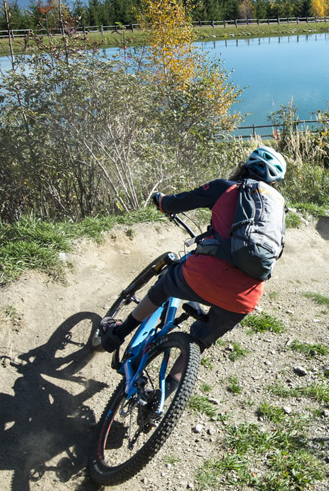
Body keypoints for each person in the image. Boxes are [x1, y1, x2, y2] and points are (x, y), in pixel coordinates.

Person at [98, 146, 288, 354]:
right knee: (199, 343)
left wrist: (160, 200)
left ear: (244, 166)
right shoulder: (278, 207)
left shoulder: (224, 187)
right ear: (273, 183)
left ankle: (117, 334)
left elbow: (174, 204)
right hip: (246, 297)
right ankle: (176, 383)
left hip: (203, 275)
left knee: (165, 284)